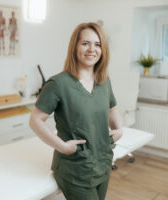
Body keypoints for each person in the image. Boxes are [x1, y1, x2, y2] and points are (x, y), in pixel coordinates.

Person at [29, 22, 123, 200]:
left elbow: (112, 107)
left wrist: (120, 128)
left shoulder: (104, 81)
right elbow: (35, 120)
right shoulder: (58, 84)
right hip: (75, 169)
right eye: (85, 43)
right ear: (75, 46)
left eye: (97, 44)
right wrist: (61, 146)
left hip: (103, 163)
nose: (91, 49)